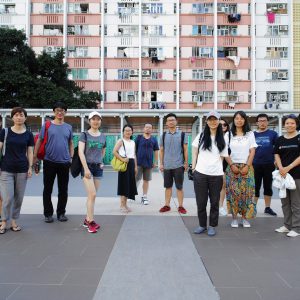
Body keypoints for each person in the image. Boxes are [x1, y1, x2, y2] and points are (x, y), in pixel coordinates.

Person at [33, 102, 74, 223]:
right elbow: (39, 141)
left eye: (62, 110)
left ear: (65, 112)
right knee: (48, 189)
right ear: (54, 112)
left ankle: (61, 213)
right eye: (57, 110)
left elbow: (71, 143)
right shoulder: (47, 125)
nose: (60, 112)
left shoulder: (68, 127)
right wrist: (35, 157)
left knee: (63, 189)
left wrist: (71, 157)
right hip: (49, 161)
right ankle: (48, 213)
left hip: (64, 162)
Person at [192, 111, 228, 236]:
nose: (213, 122)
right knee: (201, 202)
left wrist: (221, 172)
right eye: (210, 119)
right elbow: (195, 152)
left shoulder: (222, 139)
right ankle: (202, 225)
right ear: (206, 121)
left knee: (214, 202)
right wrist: (194, 168)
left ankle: (212, 225)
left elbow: (222, 158)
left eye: (215, 119)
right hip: (200, 173)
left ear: (218, 121)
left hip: (216, 175)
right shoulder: (201, 136)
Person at [0, 107, 34, 234]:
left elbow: (30, 152)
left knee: (19, 197)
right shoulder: (5, 131)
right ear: (12, 117)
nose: (19, 117)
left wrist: (30, 167)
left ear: (25, 118)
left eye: (21, 115)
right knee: (8, 197)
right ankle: (4, 221)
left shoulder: (28, 134)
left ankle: (14, 220)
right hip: (6, 169)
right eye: (16, 115)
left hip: (22, 169)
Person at [225, 111, 257, 228]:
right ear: (233, 120)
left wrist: (247, 166)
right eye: (237, 118)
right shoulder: (228, 135)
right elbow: (224, 152)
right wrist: (232, 165)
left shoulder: (250, 134)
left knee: (246, 194)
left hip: (246, 167)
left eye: (241, 118)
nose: (239, 120)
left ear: (245, 120)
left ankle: (244, 218)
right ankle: (234, 218)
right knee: (233, 193)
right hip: (232, 167)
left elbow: (252, 150)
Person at [78, 111, 106, 233]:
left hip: (98, 168)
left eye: (98, 119)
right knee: (92, 194)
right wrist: (86, 168)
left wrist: (101, 161)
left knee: (92, 196)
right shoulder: (84, 135)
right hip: (87, 167)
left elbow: (103, 150)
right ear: (89, 121)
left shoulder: (103, 136)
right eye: (93, 119)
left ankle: (87, 219)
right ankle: (91, 222)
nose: (96, 121)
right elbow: (80, 152)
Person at [274, 114, 300, 237]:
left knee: (296, 202)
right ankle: (287, 225)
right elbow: (276, 154)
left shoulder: (299, 138)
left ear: (296, 124)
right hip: (282, 175)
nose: (289, 125)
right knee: (285, 202)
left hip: (296, 175)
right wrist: (281, 168)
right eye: (287, 123)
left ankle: (296, 227)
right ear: (284, 124)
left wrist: (288, 168)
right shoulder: (280, 139)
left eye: (292, 123)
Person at [159, 113, 188, 214]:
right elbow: (161, 150)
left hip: (179, 165)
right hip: (167, 165)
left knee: (179, 187)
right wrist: (161, 164)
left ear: (176, 121)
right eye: (169, 120)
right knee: (168, 187)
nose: (171, 122)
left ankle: (180, 206)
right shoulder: (163, 136)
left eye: (173, 120)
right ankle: (167, 205)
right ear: (166, 123)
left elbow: (185, 150)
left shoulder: (182, 134)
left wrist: (186, 163)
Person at [253, 113, 278, 216]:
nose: (262, 123)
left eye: (264, 121)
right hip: (255, 164)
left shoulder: (273, 134)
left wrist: (276, 161)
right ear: (257, 123)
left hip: (269, 164)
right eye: (260, 121)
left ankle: (267, 208)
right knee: (256, 187)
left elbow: (277, 149)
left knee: (268, 187)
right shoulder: (253, 135)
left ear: (267, 122)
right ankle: (253, 208)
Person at [113, 124, 138, 213]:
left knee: (129, 185)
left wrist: (135, 166)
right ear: (123, 132)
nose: (128, 132)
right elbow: (114, 152)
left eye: (129, 130)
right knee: (123, 184)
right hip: (124, 163)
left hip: (131, 163)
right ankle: (122, 205)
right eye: (126, 130)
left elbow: (134, 155)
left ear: (132, 132)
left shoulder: (133, 142)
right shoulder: (121, 141)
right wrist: (123, 159)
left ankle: (125, 204)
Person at [135, 123, 159, 205]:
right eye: (146, 127)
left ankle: (144, 197)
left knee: (146, 180)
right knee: (136, 179)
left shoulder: (154, 139)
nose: (148, 129)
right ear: (144, 129)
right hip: (138, 163)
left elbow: (156, 151)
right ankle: (131, 193)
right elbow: (134, 151)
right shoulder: (138, 138)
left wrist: (155, 162)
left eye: (150, 127)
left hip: (149, 164)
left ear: (152, 130)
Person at [219, 118, 230, 216]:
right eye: (220, 124)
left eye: (224, 125)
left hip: (227, 164)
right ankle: (218, 206)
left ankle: (223, 206)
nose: (222, 126)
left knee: (225, 186)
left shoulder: (229, 136)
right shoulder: (212, 136)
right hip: (215, 164)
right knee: (218, 186)